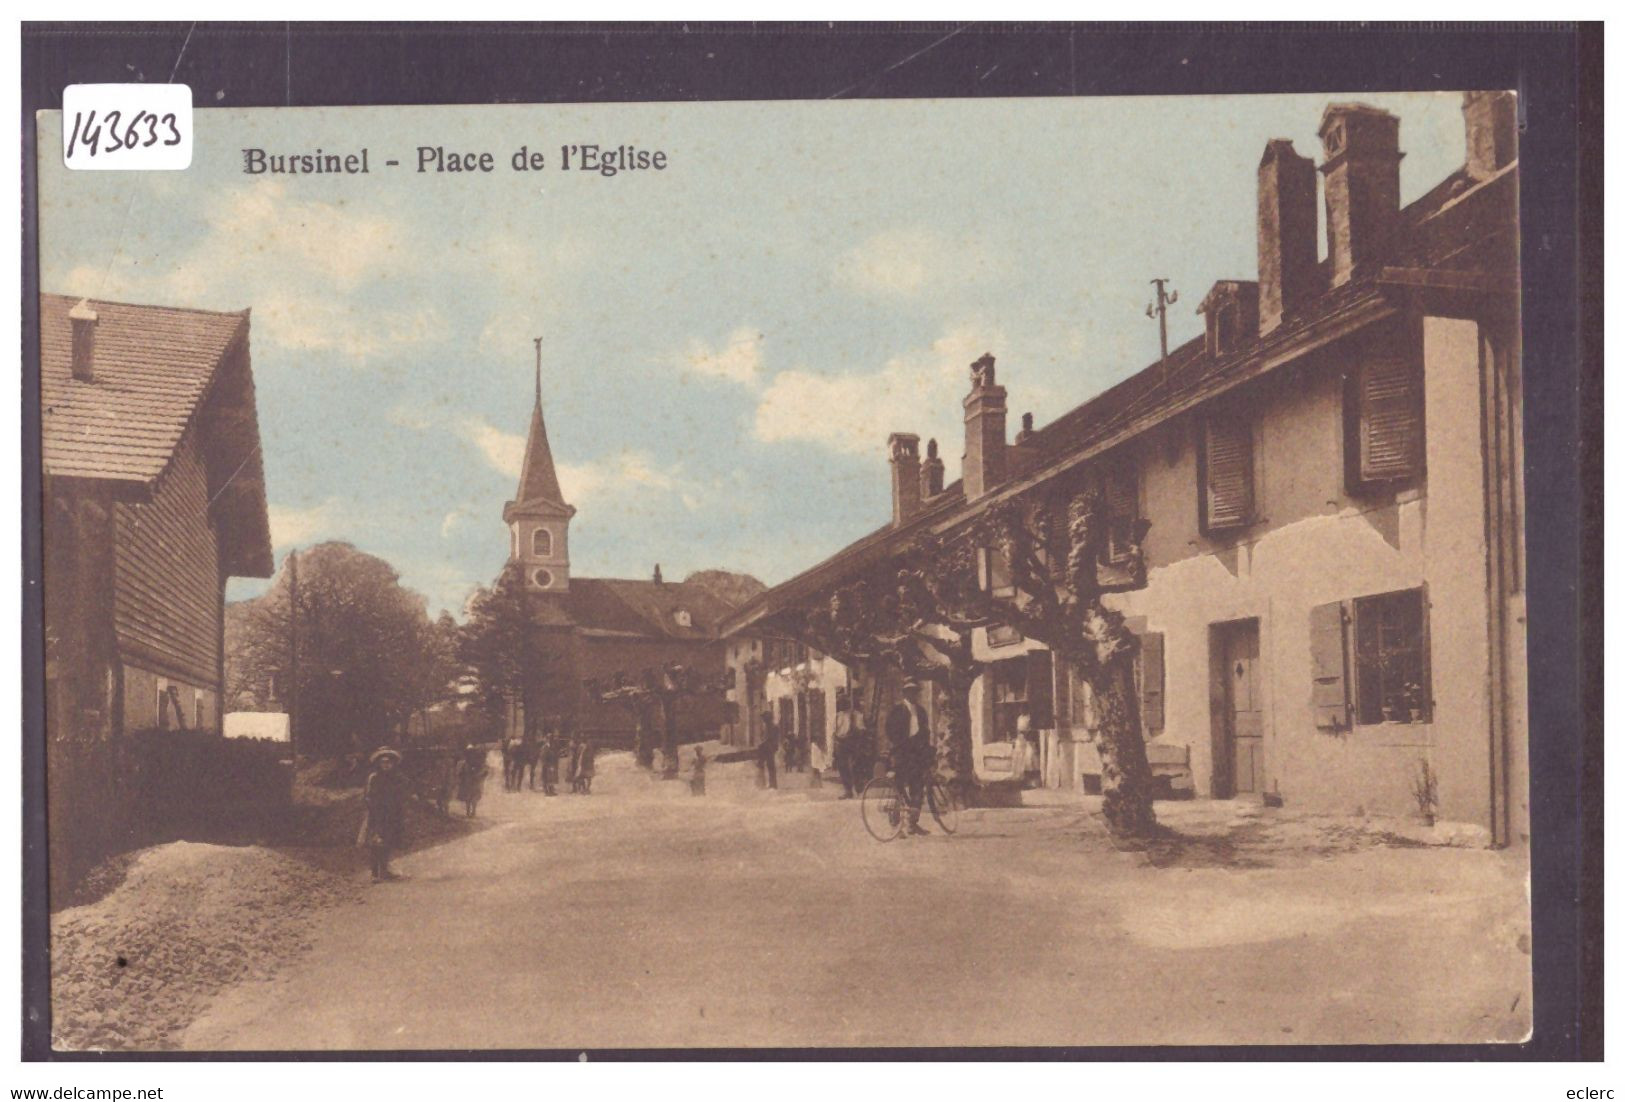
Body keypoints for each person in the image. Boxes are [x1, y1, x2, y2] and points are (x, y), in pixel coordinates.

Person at [886, 680, 934, 836]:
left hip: (916, 755)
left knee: (917, 788)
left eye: (915, 691)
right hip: (901, 753)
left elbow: (925, 732)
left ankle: (913, 824)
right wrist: (899, 745)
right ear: (904, 693)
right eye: (909, 691)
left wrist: (926, 749)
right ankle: (896, 826)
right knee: (898, 789)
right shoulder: (897, 711)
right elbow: (890, 731)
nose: (913, 694)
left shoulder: (921, 711)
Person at [358, 746, 409, 881]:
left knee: (388, 841)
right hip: (376, 814)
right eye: (383, 762)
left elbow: (402, 795)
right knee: (375, 843)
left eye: (388, 762)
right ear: (378, 764)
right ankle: (375, 873)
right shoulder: (374, 778)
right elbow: (367, 796)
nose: (386, 765)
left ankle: (385, 870)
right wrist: (373, 811)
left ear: (393, 764)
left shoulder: (397, 778)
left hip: (392, 814)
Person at [455, 743, 487, 818]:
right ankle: (471, 812)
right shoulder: (468, 762)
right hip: (472, 781)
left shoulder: (467, 762)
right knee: (472, 797)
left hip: (470, 781)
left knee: (470, 797)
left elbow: (460, 773)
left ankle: (470, 812)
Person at [756, 711, 779, 790]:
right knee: (762, 765)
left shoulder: (773, 727)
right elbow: (763, 738)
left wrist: (763, 744)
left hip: (769, 749)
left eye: (764, 719)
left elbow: (772, 739)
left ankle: (772, 784)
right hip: (765, 748)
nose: (763, 720)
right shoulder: (766, 727)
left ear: (768, 719)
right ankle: (764, 783)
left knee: (770, 766)